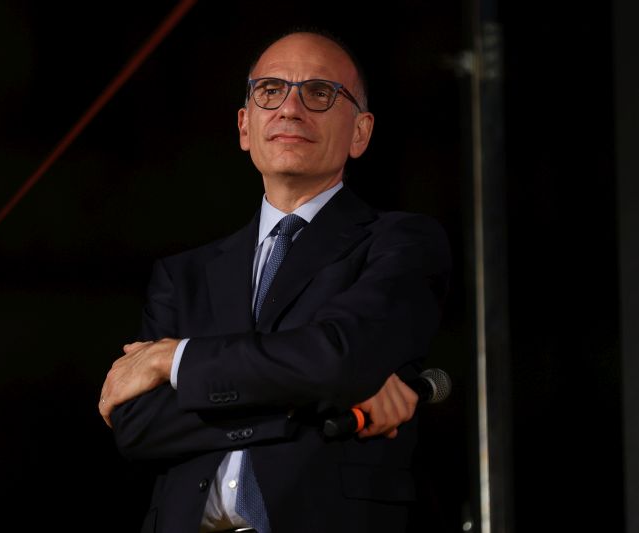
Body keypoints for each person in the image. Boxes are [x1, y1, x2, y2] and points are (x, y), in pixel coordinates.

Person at [98, 29, 451, 533]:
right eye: (270, 90)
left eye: (319, 93)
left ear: (360, 133)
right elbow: (138, 425)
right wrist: (311, 401)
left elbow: (337, 357)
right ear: (245, 126)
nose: (289, 109)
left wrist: (173, 360)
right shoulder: (183, 275)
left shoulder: (401, 243)